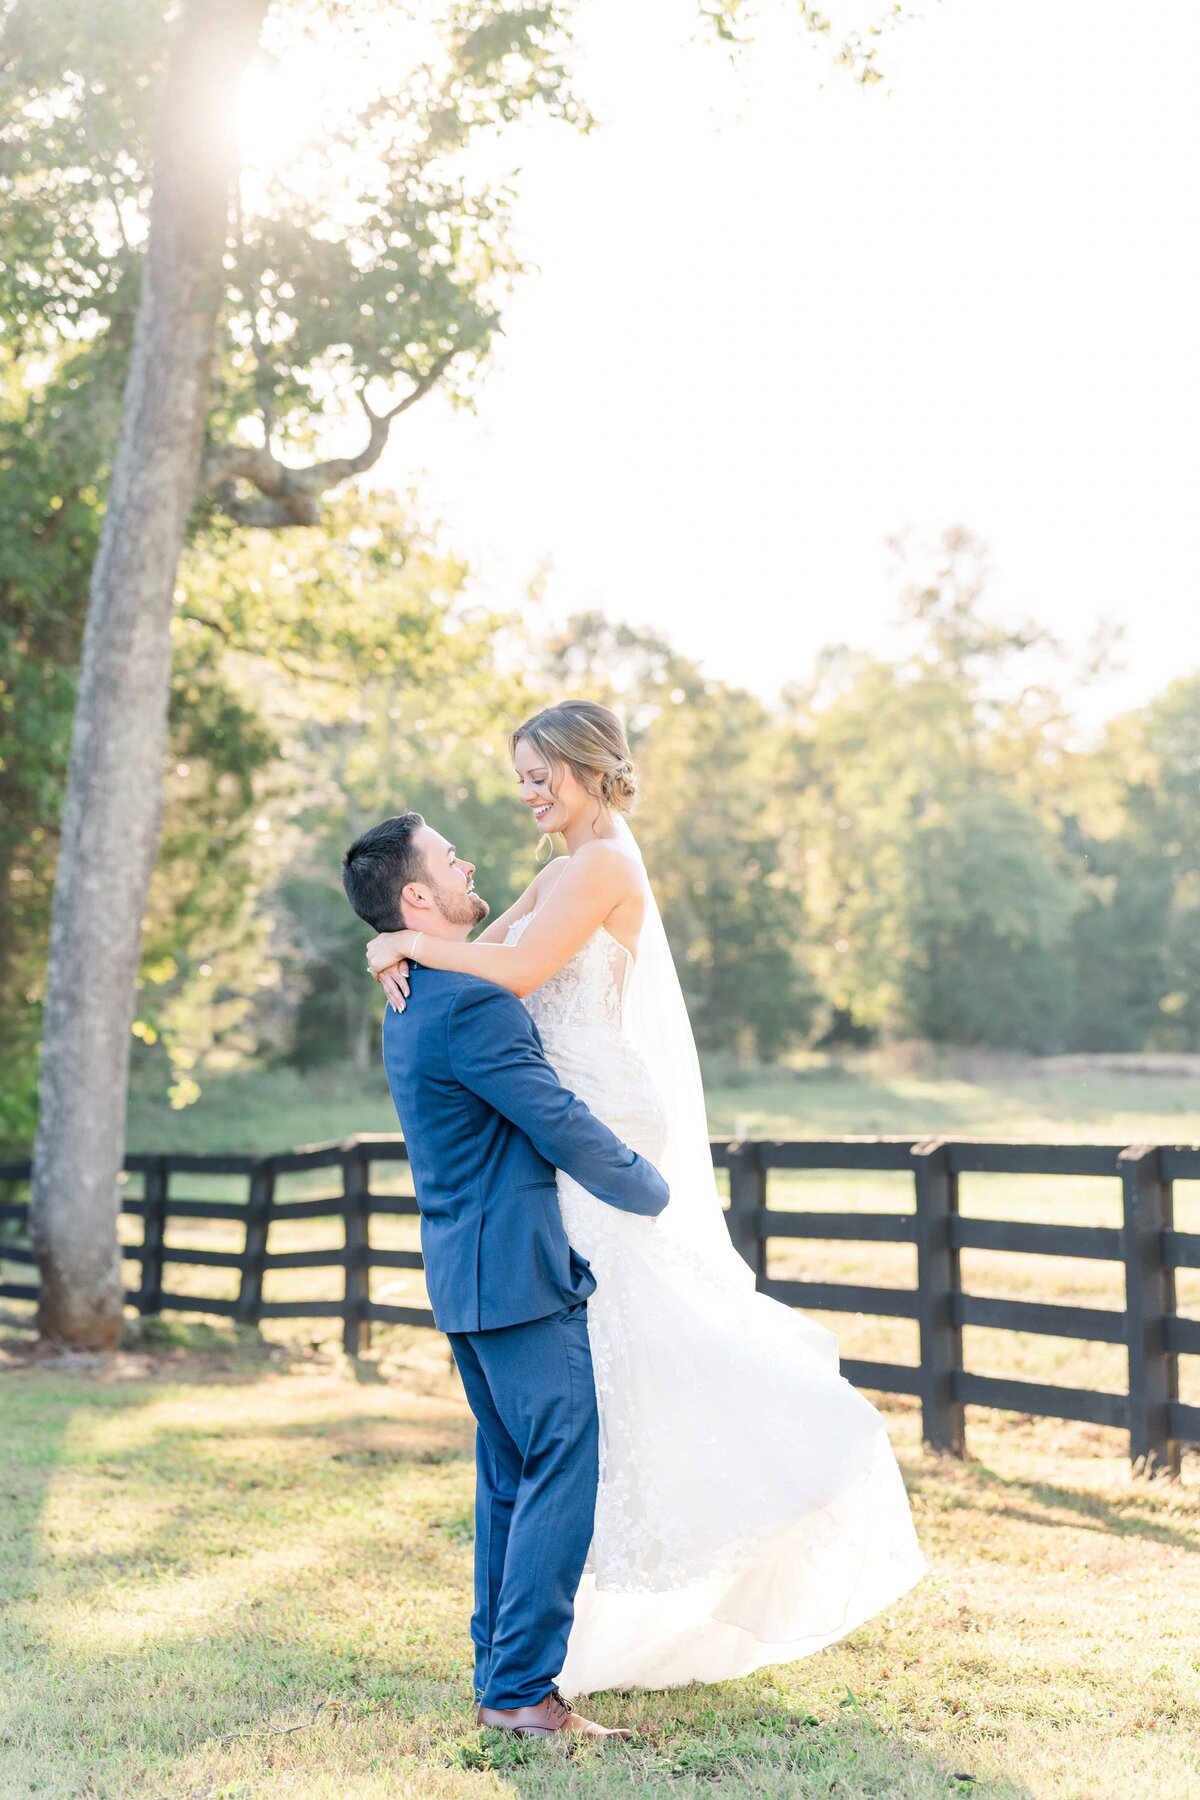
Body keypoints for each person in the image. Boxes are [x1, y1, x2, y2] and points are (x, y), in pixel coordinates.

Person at [364, 700, 926, 1697]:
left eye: (541, 774)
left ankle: (779, 1477)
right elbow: (485, 953)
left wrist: (401, 947)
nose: (528, 792)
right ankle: (520, 1660)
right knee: (572, 1412)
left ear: (589, 768)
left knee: (610, 1380)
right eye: (522, 776)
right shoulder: (556, 869)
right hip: (558, 1150)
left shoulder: (608, 864)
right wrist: (402, 944)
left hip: (598, 1134)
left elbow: (519, 969)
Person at [341, 812, 668, 1740]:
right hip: (518, 1275)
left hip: (467, 1275)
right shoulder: (471, 1003)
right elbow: (553, 1116)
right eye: (448, 858)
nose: (467, 859)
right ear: (416, 896)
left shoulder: (414, 995)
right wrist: (649, 1188)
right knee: (561, 1464)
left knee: (510, 1478)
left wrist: (392, 947)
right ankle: (523, 1694)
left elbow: (521, 925)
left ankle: (504, 1682)